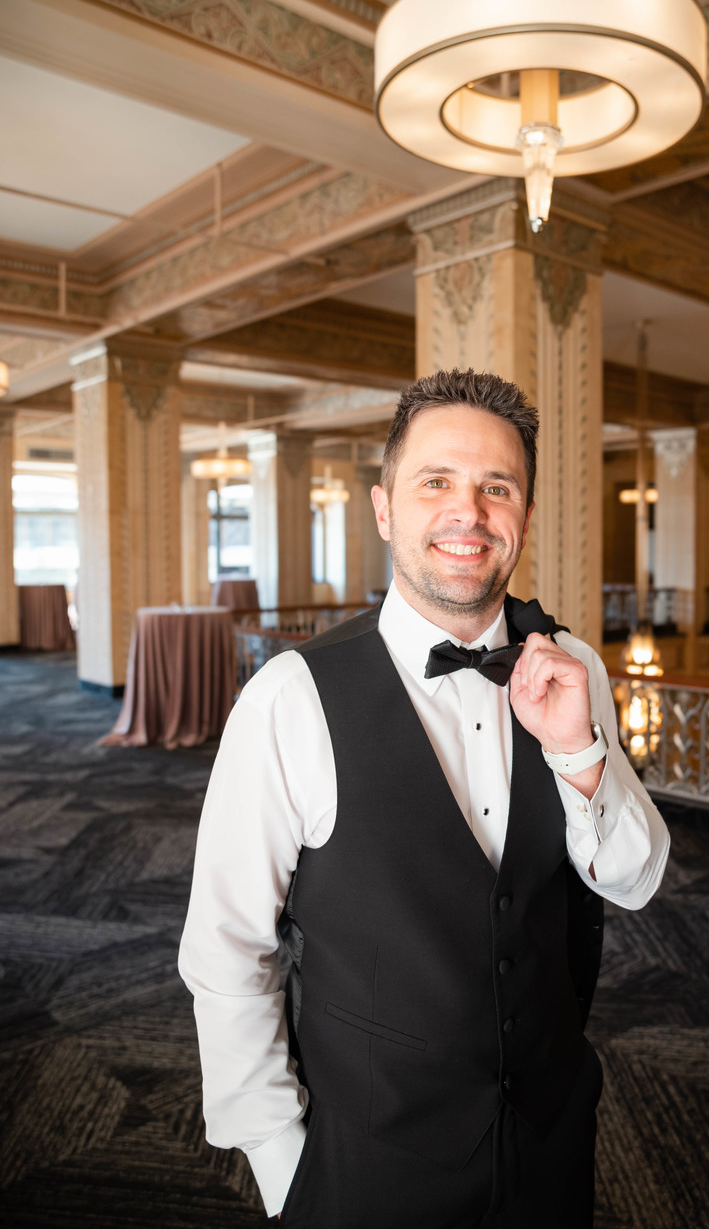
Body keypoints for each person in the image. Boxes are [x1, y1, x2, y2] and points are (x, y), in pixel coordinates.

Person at [179, 369, 669, 1227]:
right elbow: (227, 952)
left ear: (522, 514)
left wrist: (575, 749)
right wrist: (283, 1163)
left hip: (551, 1146)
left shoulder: (574, 666)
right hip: (369, 1169)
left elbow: (633, 880)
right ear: (384, 509)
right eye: (436, 481)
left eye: (496, 488)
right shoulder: (291, 697)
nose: (468, 513)